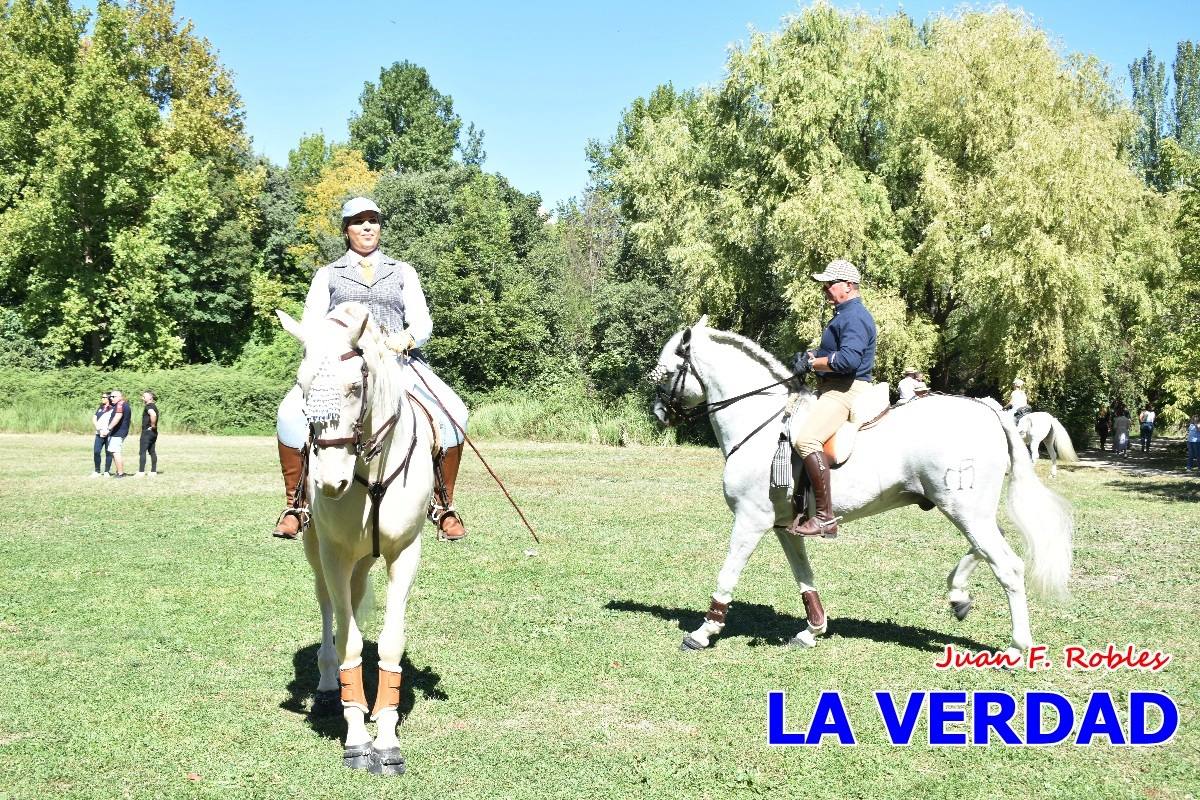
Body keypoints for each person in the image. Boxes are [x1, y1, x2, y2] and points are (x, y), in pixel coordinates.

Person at [273, 196, 471, 542]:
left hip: (397, 364)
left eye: (373, 220)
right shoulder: (328, 274)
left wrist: (407, 338)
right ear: (346, 230)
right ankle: (296, 505)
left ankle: (442, 504)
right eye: (358, 221)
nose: (367, 226)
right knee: (289, 414)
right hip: (341, 369)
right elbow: (310, 324)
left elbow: (423, 321)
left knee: (455, 413)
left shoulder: (402, 271)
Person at [786, 258, 877, 539]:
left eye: (830, 283)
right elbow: (834, 350)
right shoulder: (843, 314)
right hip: (833, 386)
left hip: (846, 389)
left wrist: (813, 365)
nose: (825, 289)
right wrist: (810, 355)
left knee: (807, 440)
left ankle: (825, 518)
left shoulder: (855, 317)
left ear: (848, 286)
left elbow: (848, 360)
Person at [105, 390, 132, 478]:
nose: (111, 398)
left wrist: (108, 429)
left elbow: (117, 417)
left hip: (118, 432)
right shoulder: (121, 404)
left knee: (116, 452)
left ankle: (120, 473)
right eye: (110, 397)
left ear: (119, 397)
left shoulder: (120, 404)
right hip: (118, 432)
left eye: (113, 397)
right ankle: (118, 471)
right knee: (113, 451)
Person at [91, 392, 114, 477]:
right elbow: (94, 418)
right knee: (96, 452)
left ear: (108, 398)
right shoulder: (100, 407)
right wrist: (98, 427)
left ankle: (107, 471)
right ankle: (97, 471)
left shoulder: (113, 408)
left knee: (108, 453)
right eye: (102, 397)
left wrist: (107, 430)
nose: (102, 399)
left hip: (109, 433)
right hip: (99, 433)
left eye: (104, 397)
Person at [137, 391, 159, 477]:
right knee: (152, 451)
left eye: (144, 396)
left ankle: (141, 472)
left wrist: (152, 425)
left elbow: (153, 414)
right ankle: (153, 471)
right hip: (153, 433)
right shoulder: (154, 406)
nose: (142, 398)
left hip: (147, 432)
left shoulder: (149, 406)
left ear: (150, 397)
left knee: (142, 452)